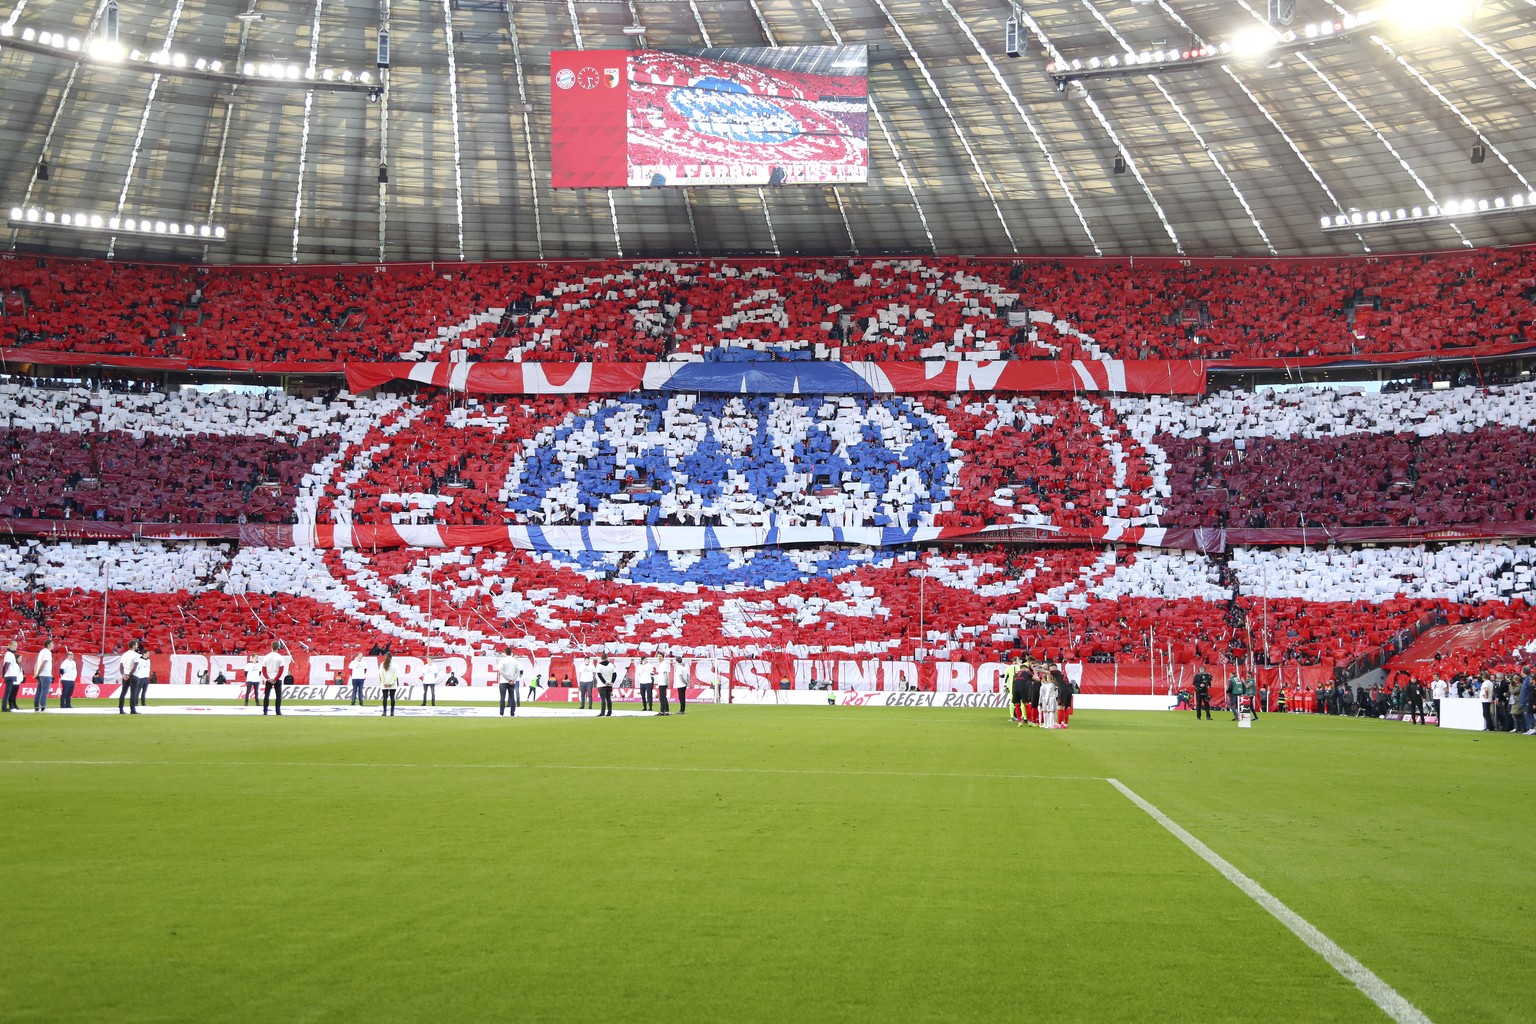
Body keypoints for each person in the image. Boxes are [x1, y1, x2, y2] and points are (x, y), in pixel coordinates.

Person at [260, 641, 290, 716]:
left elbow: (263, 669)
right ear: (278, 648)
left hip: (269, 678)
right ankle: (278, 711)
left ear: (271, 647)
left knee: (267, 695)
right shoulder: (280, 657)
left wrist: (267, 678)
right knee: (278, 696)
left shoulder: (267, 657)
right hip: (277, 678)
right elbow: (281, 669)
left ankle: (265, 711)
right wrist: (276, 678)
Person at [117, 640, 142, 714]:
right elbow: (135, 667)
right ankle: (132, 709)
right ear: (133, 645)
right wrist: (129, 674)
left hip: (125, 675)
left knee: (123, 692)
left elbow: (121, 666)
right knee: (133, 693)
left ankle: (121, 709)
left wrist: (123, 674)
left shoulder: (124, 654)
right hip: (133, 675)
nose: (137, 646)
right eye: (136, 645)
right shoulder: (136, 655)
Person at [496, 647, 521, 717]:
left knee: (502, 697)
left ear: (505, 652)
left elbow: (502, 671)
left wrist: (508, 679)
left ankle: (501, 713)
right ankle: (512, 713)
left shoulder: (503, 660)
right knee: (512, 697)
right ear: (511, 652)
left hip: (504, 681)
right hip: (512, 682)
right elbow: (517, 672)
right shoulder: (515, 661)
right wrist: (512, 679)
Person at [33, 639, 53, 712]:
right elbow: (43, 663)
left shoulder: (42, 652)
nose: (53, 645)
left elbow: (37, 663)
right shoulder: (47, 652)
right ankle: (43, 706)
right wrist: (38, 672)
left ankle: (36, 706)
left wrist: (37, 673)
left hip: (41, 674)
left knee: (39, 691)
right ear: (48, 645)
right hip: (45, 674)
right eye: (52, 643)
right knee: (44, 691)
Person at [1, 640, 21, 712]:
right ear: (10, 645)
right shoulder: (9, 654)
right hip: (10, 675)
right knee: (8, 692)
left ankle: (9, 705)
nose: (16, 647)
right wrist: (3, 675)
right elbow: (6, 665)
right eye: (14, 645)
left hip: (11, 675)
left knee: (9, 692)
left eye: (16, 645)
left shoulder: (11, 654)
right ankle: (4, 707)